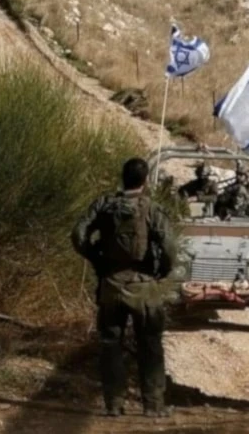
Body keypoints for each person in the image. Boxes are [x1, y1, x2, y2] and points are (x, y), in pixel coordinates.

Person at [71, 157, 179, 418]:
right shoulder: (152, 209)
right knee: (150, 344)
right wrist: (163, 270)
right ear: (145, 181)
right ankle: (153, 405)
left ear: (123, 177)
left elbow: (78, 233)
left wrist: (94, 257)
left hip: (111, 285)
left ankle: (113, 404)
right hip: (144, 286)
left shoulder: (105, 205)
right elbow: (169, 246)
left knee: (111, 344)